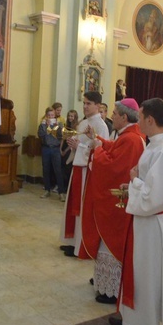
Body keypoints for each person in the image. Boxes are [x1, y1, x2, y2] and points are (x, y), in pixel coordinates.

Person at [110, 98, 163, 325]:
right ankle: (132, 319)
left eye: (140, 117)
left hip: (152, 225)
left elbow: (157, 196)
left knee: (147, 278)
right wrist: (133, 186)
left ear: (150, 120)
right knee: (137, 273)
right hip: (144, 222)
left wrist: (135, 182)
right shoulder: (153, 146)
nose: (137, 121)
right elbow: (147, 184)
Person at [79, 99, 145, 305]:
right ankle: (105, 282)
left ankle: (112, 290)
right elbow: (114, 149)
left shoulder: (132, 139)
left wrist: (97, 151)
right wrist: (98, 140)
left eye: (115, 113)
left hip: (119, 201)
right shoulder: (128, 136)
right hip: (121, 198)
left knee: (111, 242)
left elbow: (115, 167)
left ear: (124, 117)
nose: (112, 116)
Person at [59, 91, 109, 257]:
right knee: (73, 205)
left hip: (88, 171)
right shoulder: (83, 123)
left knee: (82, 208)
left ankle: (82, 245)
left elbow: (100, 150)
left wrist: (78, 145)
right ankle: (73, 242)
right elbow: (81, 145)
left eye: (88, 103)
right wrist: (73, 145)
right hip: (77, 167)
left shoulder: (101, 125)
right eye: (84, 103)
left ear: (97, 105)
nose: (85, 106)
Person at [38, 107, 66, 201]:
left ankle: (61, 192)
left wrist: (58, 127)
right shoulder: (42, 125)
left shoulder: (60, 124)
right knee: (46, 169)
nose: (51, 117)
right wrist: (47, 127)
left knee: (57, 170)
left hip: (55, 149)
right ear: (46, 116)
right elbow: (40, 135)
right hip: (46, 148)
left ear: (55, 116)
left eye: (52, 115)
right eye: (49, 115)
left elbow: (61, 136)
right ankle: (47, 190)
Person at [61, 109, 79, 194]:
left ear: (75, 117)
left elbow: (73, 141)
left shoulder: (76, 127)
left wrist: (65, 150)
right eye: (69, 116)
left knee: (68, 168)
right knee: (63, 168)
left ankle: (67, 188)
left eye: (72, 116)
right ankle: (62, 186)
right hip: (64, 146)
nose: (70, 117)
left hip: (70, 148)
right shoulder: (66, 126)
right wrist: (60, 148)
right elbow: (63, 138)